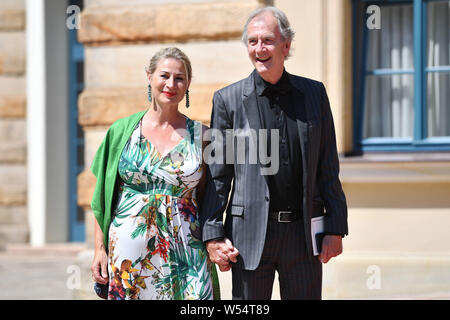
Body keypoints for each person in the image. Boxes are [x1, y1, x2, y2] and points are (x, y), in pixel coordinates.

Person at [201, 6, 348, 300]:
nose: (259, 48)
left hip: (302, 236)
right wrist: (213, 234)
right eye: (252, 42)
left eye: (267, 40)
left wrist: (335, 225)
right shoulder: (226, 101)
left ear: (286, 45)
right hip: (248, 237)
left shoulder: (314, 94)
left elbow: (328, 166)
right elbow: (218, 176)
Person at [90, 47, 219, 300]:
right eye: (164, 75)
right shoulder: (121, 132)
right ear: (149, 77)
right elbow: (102, 199)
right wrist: (99, 249)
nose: (171, 84)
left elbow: (209, 197)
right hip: (129, 254)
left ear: (188, 84)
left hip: (188, 252)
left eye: (179, 78)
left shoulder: (203, 137)